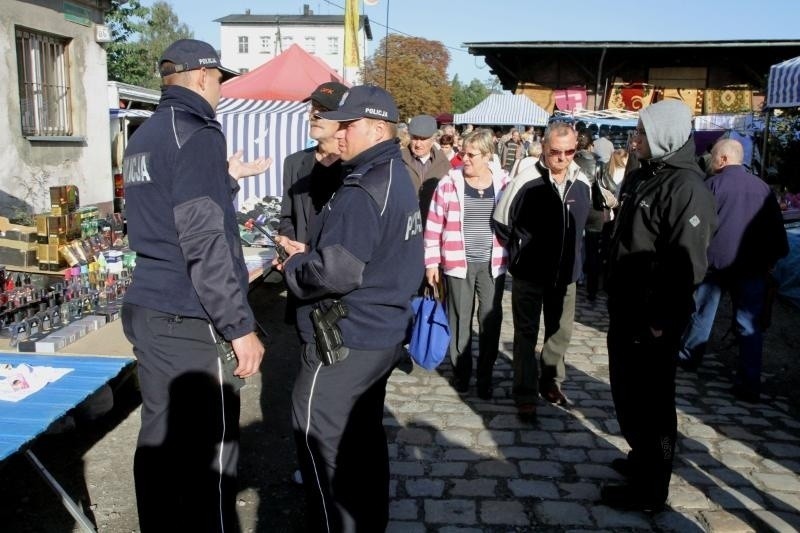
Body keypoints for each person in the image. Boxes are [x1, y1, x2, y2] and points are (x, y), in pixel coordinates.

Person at [121, 39, 266, 531]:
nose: (222, 89)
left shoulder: (145, 134)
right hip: (188, 310)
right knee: (210, 446)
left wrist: (225, 180)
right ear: (203, 77)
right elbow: (203, 240)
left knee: (160, 435)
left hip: (149, 301)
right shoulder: (198, 132)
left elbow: (167, 206)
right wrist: (239, 325)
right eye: (220, 79)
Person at [274, 85, 423, 532]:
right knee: (362, 449)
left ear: (378, 128)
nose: (339, 133)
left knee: (324, 447)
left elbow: (337, 273)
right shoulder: (394, 176)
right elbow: (365, 251)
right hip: (378, 335)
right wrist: (315, 250)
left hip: (346, 341)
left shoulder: (364, 186)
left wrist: (296, 265)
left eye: (348, 125)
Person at [602, 100, 717, 512]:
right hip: (626, 307)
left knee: (653, 402)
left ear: (663, 136)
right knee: (628, 393)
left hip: (653, 317)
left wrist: (662, 318)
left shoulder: (687, 188)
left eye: (640, 133)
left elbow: (687, 262)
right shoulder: (647, 174)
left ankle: (652, 488)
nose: (633, 141)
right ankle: (640, 457)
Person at [493, 122, 591, 420]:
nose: (562, 158)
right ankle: (524, 392)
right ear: (544, 148)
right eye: (555, 152)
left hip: (566, 275)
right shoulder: (525, 179)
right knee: (526, 334)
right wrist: (522, 248)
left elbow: (590, 220)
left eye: (569, 151)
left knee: (560, 332)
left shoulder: (582, 180)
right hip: (529, 274)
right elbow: (501, 221)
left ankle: (551, 382)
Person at [678, 139, 789, 402]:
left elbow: (698, 225)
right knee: (748, 324)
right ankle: (749, 382)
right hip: (752, 266)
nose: (712, 161)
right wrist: (772, 260)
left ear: (724, 159)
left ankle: (689, 358)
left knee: (702, 313)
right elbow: (776, 231)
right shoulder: (762, 188)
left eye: (714, 157)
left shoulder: (713, 185)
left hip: (716, 263)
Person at [424, 128, 509, 400]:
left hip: (492, 263)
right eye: (463, 153)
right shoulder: (449, 183)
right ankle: (461, 373)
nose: (465, 159)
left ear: (487, 156)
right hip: (458, 263)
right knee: (459, 319)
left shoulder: (504, 183)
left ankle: (485, 376)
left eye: (471, 155)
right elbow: (433, 225)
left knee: (490, 320)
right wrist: (431, 263)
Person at [278, 81, 348, 244]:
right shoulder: (293, 163)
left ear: (344, 118)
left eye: (323, 110)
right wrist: (290, 246)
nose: (314, 115)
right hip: (301, 264)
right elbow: (287, 217)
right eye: (313, 108)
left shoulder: (356, 166)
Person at [401, 114, 453, 223]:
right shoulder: (397, 160)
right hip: (403, 224)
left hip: (432, 225)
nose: (418, 144)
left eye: (423, 139)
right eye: (415, 138)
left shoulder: (444, 165)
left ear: (433, 139)